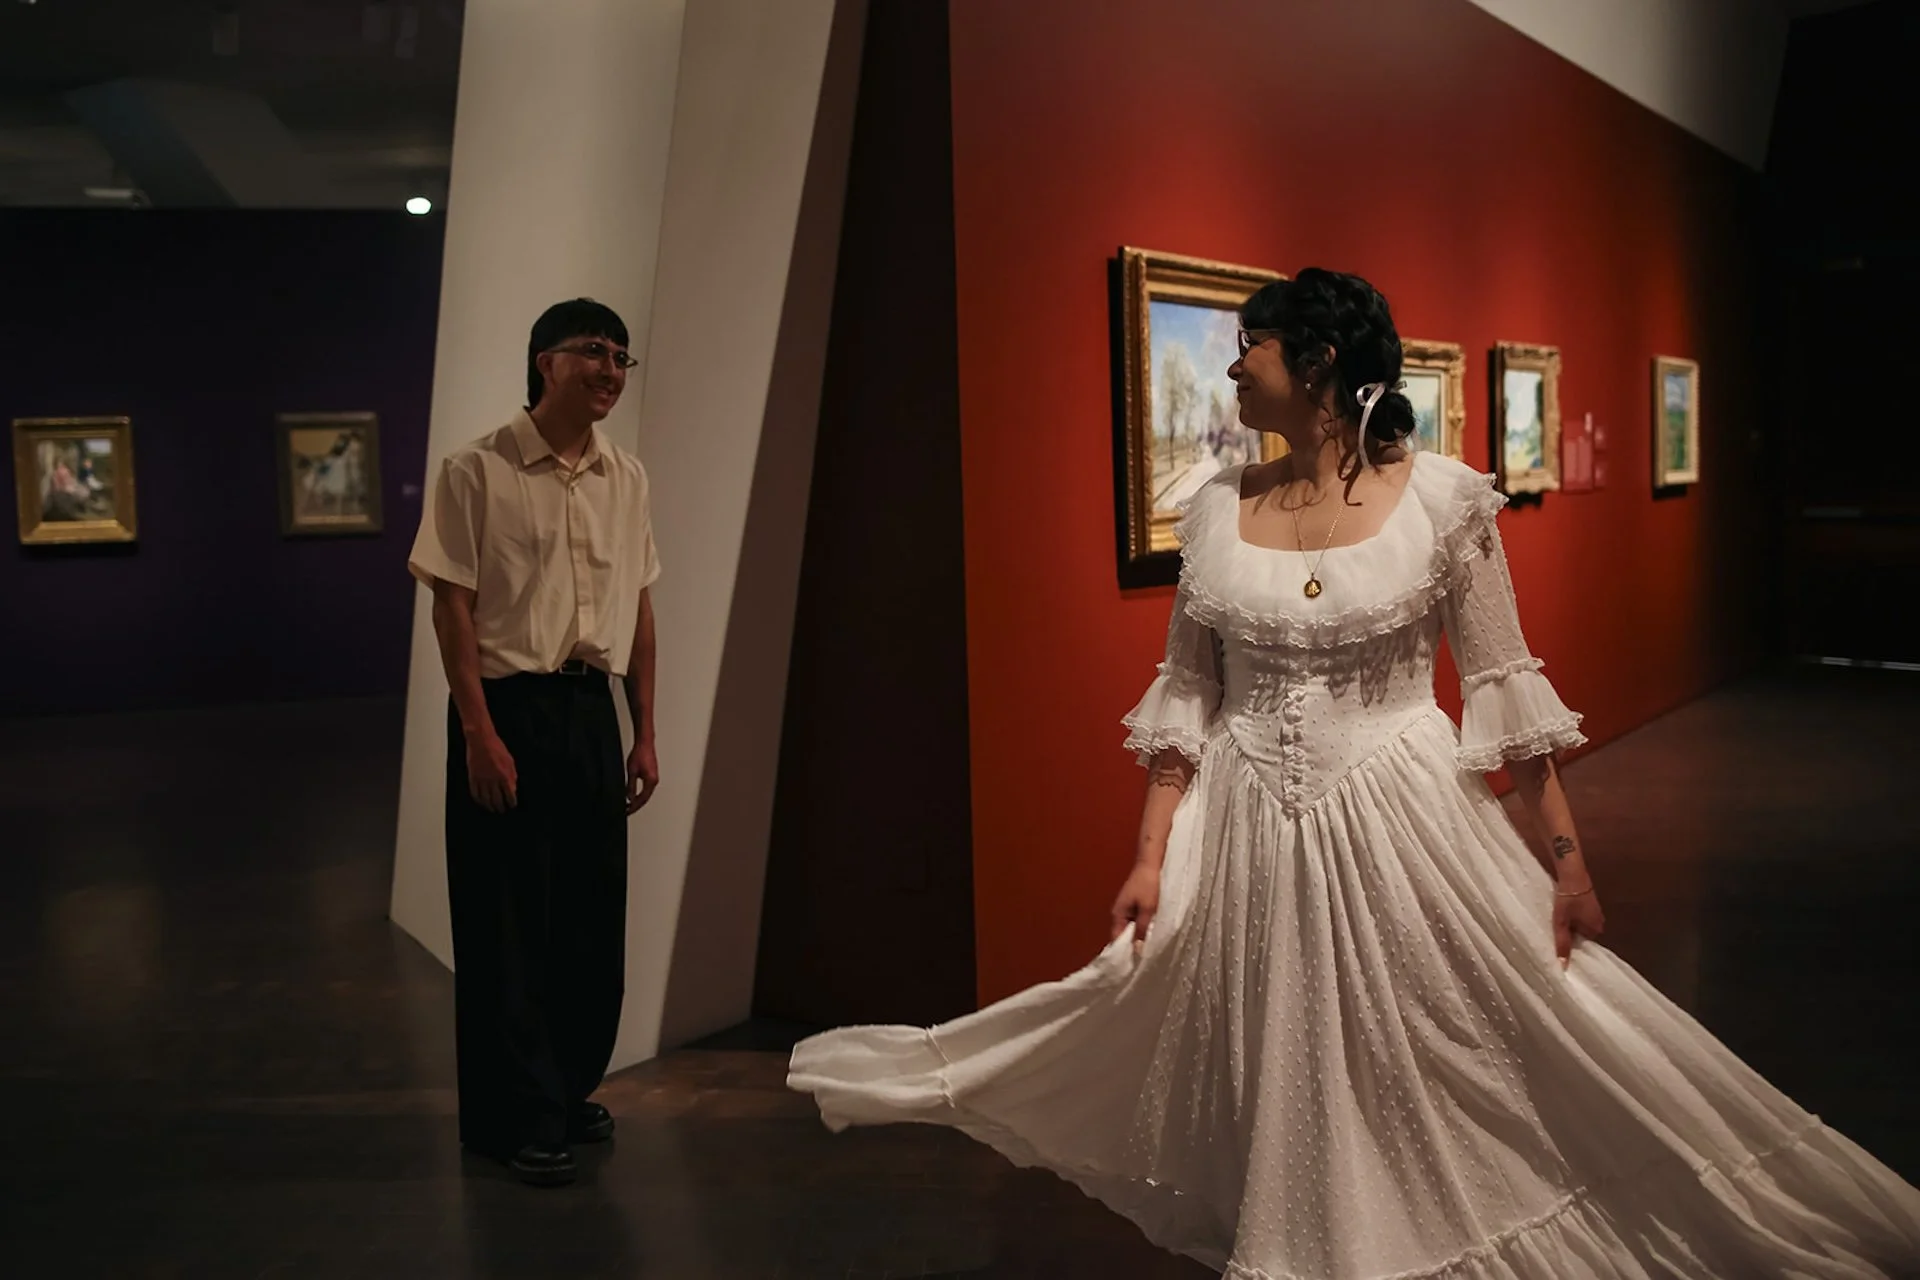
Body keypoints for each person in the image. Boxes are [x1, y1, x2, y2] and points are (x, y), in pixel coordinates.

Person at [788, 271, 1920, 1276]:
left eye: (1255, 344)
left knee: (1453, 1044)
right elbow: (1187, 697)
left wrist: (1567, 865)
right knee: (1275, 1055)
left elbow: (1503, 692)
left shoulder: (1442, 499)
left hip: (1401, 812)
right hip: (1243, 824)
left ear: (1320, 363)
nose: (1233, 365)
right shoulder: (1217, 507)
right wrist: (1148, 858)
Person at [408, 298, 662, 1188]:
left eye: (624, 358)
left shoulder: (625, 477)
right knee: (506, 921)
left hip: (591, 713)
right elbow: (451, 607)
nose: (611, 370)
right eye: (594, 351)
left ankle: (561, 1087)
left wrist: (645, 731)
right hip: (506, 711)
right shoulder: (475, 470)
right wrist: (478, 733)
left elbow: (638, 609)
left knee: (590, 919)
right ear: (544, 362)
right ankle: (516, 1114)